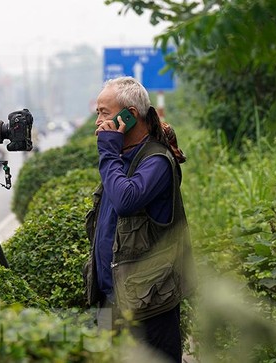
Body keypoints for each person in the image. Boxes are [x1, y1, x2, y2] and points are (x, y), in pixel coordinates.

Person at [84, 76, 194, 362]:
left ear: (130, 116)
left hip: (149, 304)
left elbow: (126, 200)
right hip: (112, 297)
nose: (97, 121)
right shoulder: (123, 157)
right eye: (97, 113)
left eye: (104, 112)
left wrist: (108, 151)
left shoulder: (156, 161)